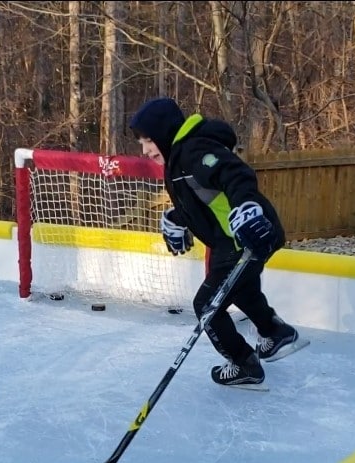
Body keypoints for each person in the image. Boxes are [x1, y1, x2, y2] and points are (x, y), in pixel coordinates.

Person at [128, 97, 302, 389]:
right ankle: (275, 332)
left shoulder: (195, 150)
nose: (145, 150)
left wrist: (246, 208)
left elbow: (235, 175)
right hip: (232, 241)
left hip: (244, 238)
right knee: (239, 289)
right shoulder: (179, 159)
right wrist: (176, 217)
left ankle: (244, 363)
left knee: (208, 304)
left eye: (148, 140)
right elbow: (202, 200)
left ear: (164, 132)